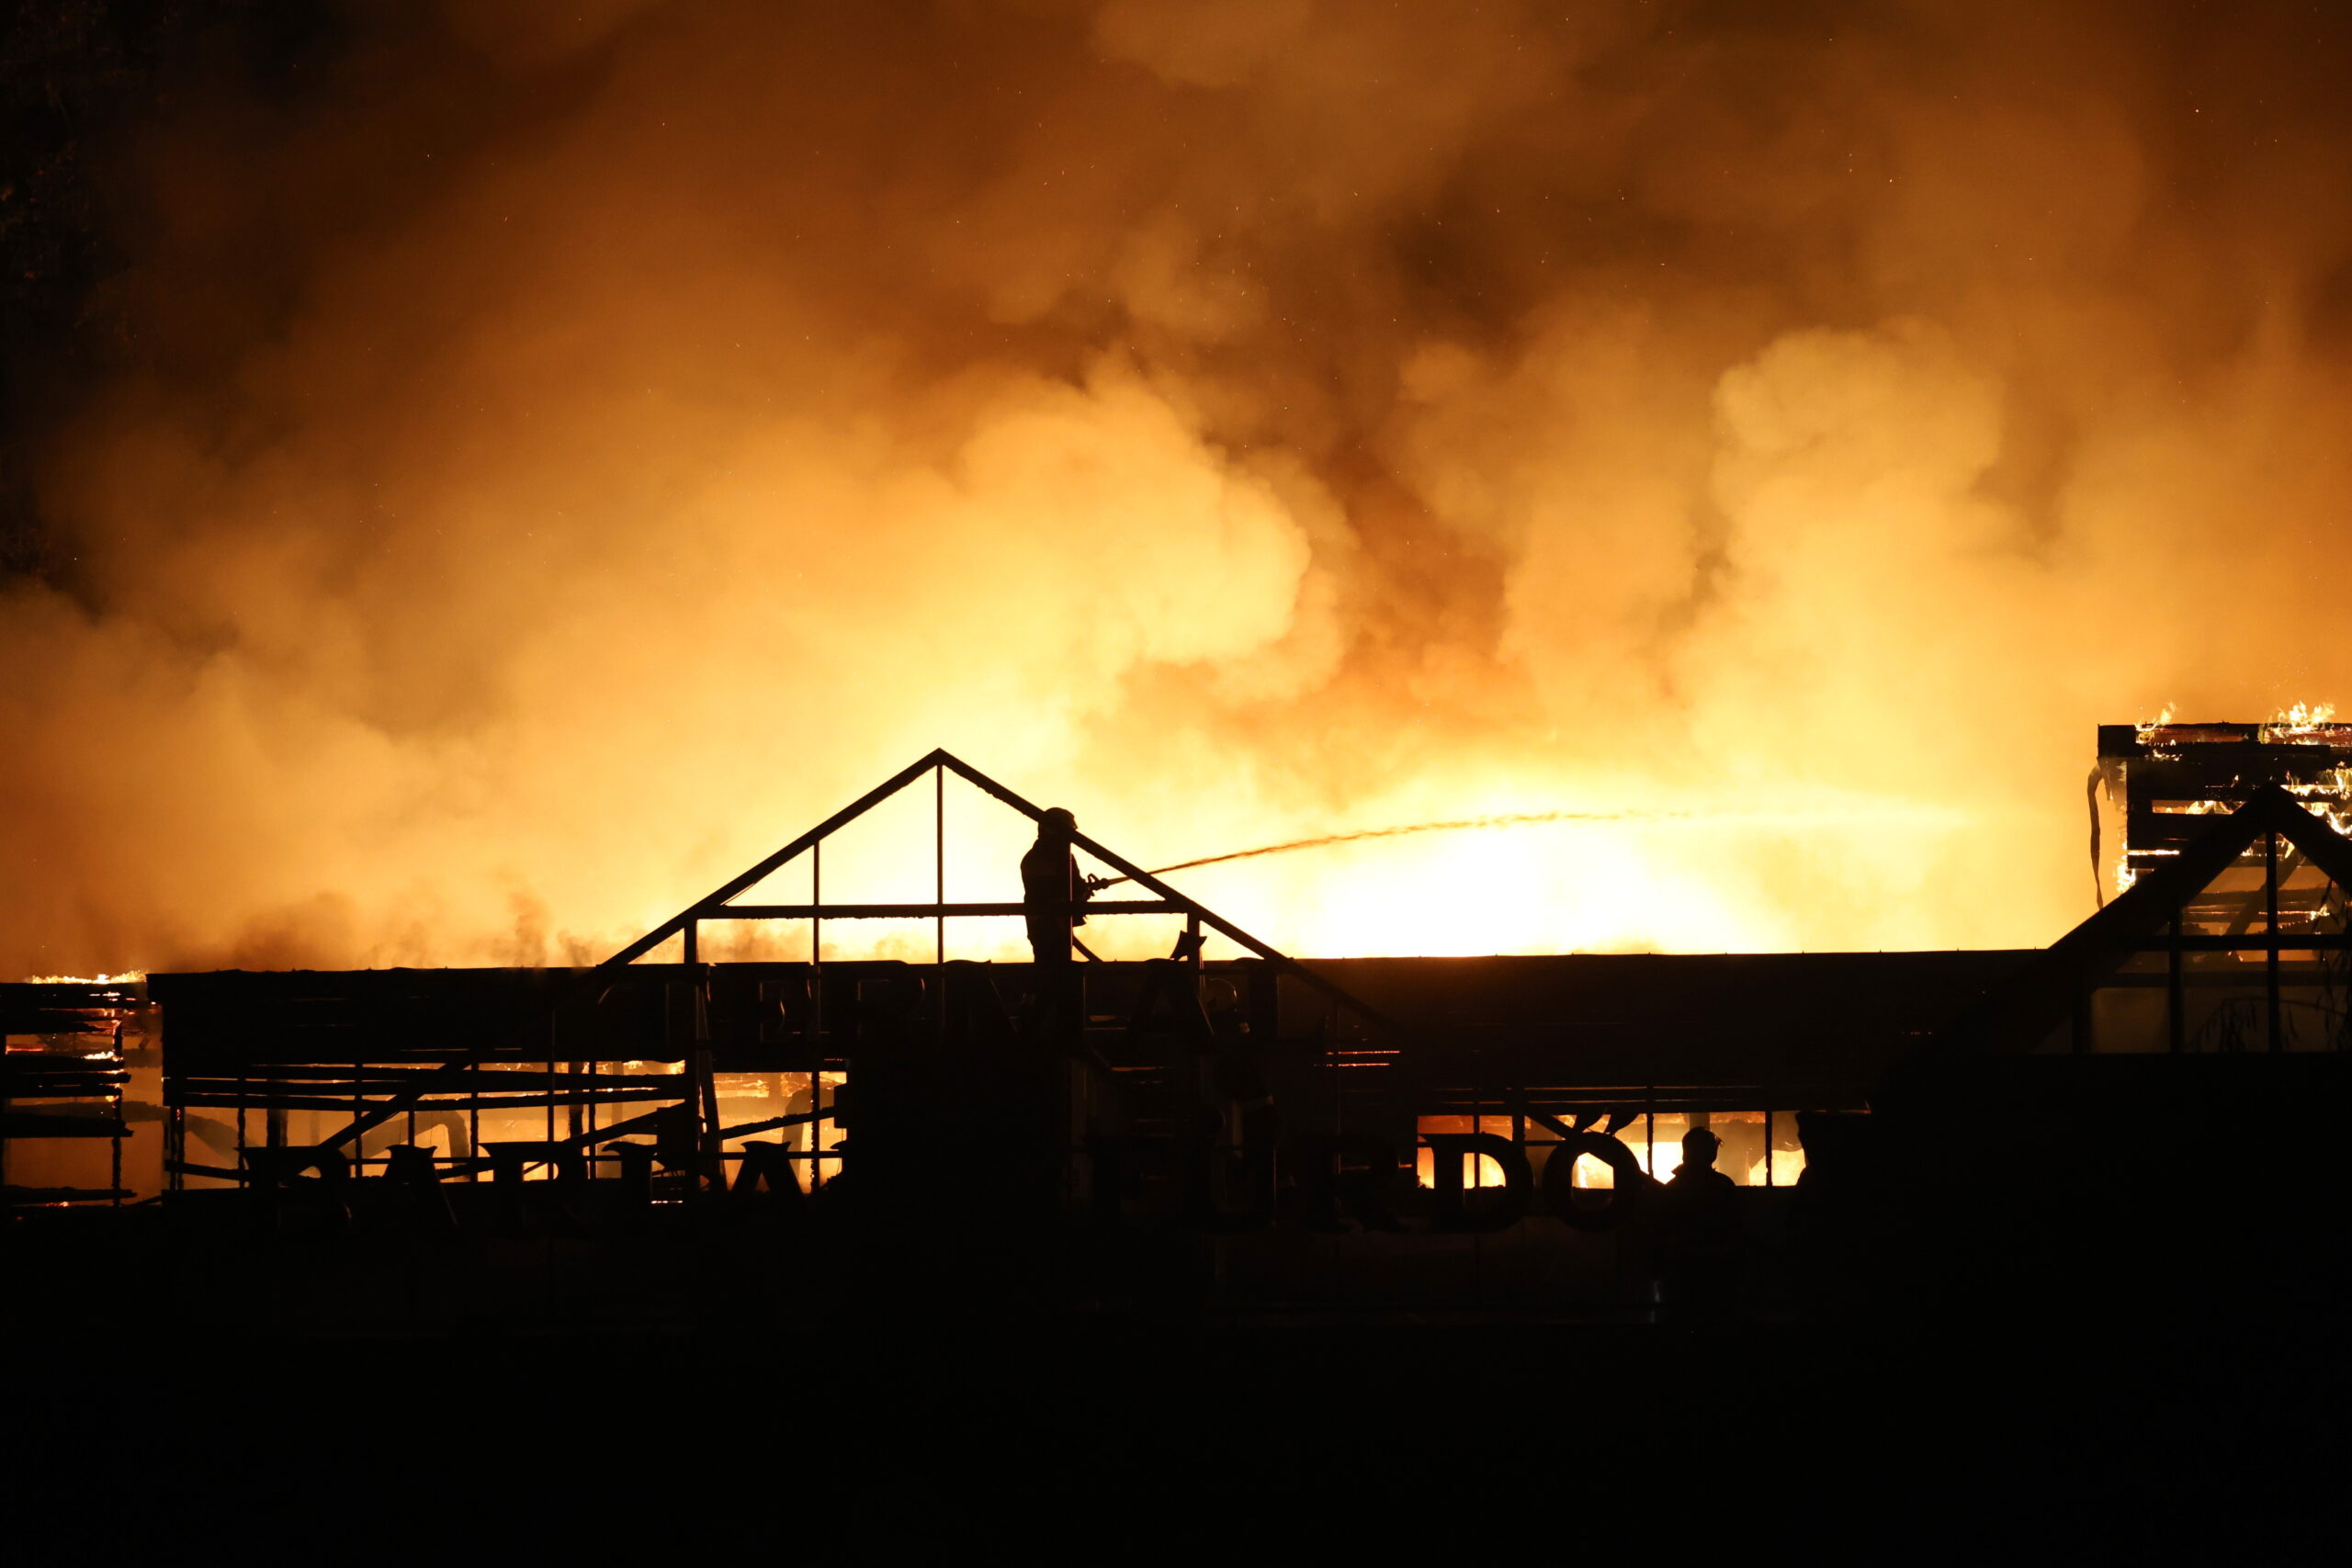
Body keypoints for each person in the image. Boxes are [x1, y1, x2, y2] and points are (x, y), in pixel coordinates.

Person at [1656, 1125, 1744, 1317]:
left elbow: (1662, 1234)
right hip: (1717, 1274)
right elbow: (1735, 1229)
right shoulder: (1722, 1185)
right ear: (1710, 1154)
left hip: (1680, 1275)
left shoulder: (1672, 1188)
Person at [1020, 807, 1093, 964]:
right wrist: (1082, 890)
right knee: (1054, 968)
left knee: (1052, 966)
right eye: (1069, 829)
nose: (1071, 836)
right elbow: (1053, 889)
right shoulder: (1053, 856)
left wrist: (1081, 890)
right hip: (1050, 925)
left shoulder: (1038, 856)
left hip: (1046, 924)